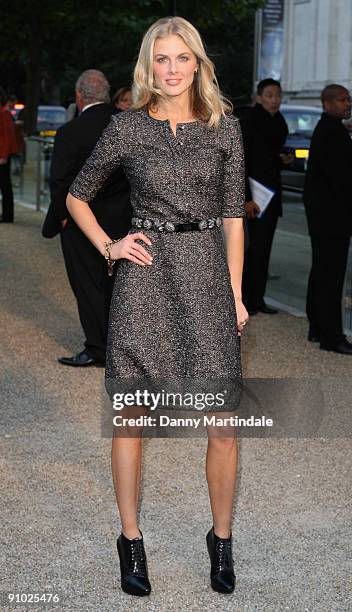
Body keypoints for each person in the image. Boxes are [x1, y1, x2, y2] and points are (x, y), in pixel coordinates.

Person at [67, 16, 248, 596]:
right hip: (143, 281)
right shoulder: (125, 127)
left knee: (222, 424)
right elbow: (78, 195)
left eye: (182, 58)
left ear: (198, 63)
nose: (172, 70)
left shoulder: (225, 128)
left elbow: (233, 218)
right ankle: (131, 539)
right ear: (149, 66)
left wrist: (238, 295)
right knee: (132, 420)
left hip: (206, 276)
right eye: (161, 59)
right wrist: (111, 246)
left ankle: (220, 540)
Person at [42, 69, 131, 366]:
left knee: (89, 286)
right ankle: (124, 347)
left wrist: (63, 217)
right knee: (121, 286)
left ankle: (98, 349)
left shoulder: (71, 131)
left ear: (79, 96)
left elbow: (59, 180)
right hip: (124, 220)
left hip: (82, 222)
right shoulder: (128, 126)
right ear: (107, 95)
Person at [304, 84, 352, 355]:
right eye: (343, 100)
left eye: (349, 100)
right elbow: (342, 182)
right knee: (331, 276)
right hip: (333, 216)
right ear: (327, 103)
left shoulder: (330, 129)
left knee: (322, 271)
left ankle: (318, 327)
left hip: (323, 214)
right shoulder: (333, 133)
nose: (348, 104)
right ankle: (331, 337)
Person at [240, 78, 293, 315]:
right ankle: (245, 299)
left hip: (270, 193)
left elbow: (273, 153)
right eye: (269, 95)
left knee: (264, 249)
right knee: (250, 250)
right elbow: (243, 161)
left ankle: (258, 298)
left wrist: (284, 158)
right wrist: (246, 197)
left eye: (278, 95)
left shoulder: (279, 122)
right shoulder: (250, 120)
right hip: (253, 194)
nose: (274, 100)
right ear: (259, 97)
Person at [0, 87, 18, 223]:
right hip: (3, 153)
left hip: (2, 155)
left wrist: (4, 156)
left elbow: (7, 137)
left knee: (5, 185)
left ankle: (7, 215)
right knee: (5, 185)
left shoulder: (3, 113)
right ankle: (7, 214)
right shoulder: (4, 113)